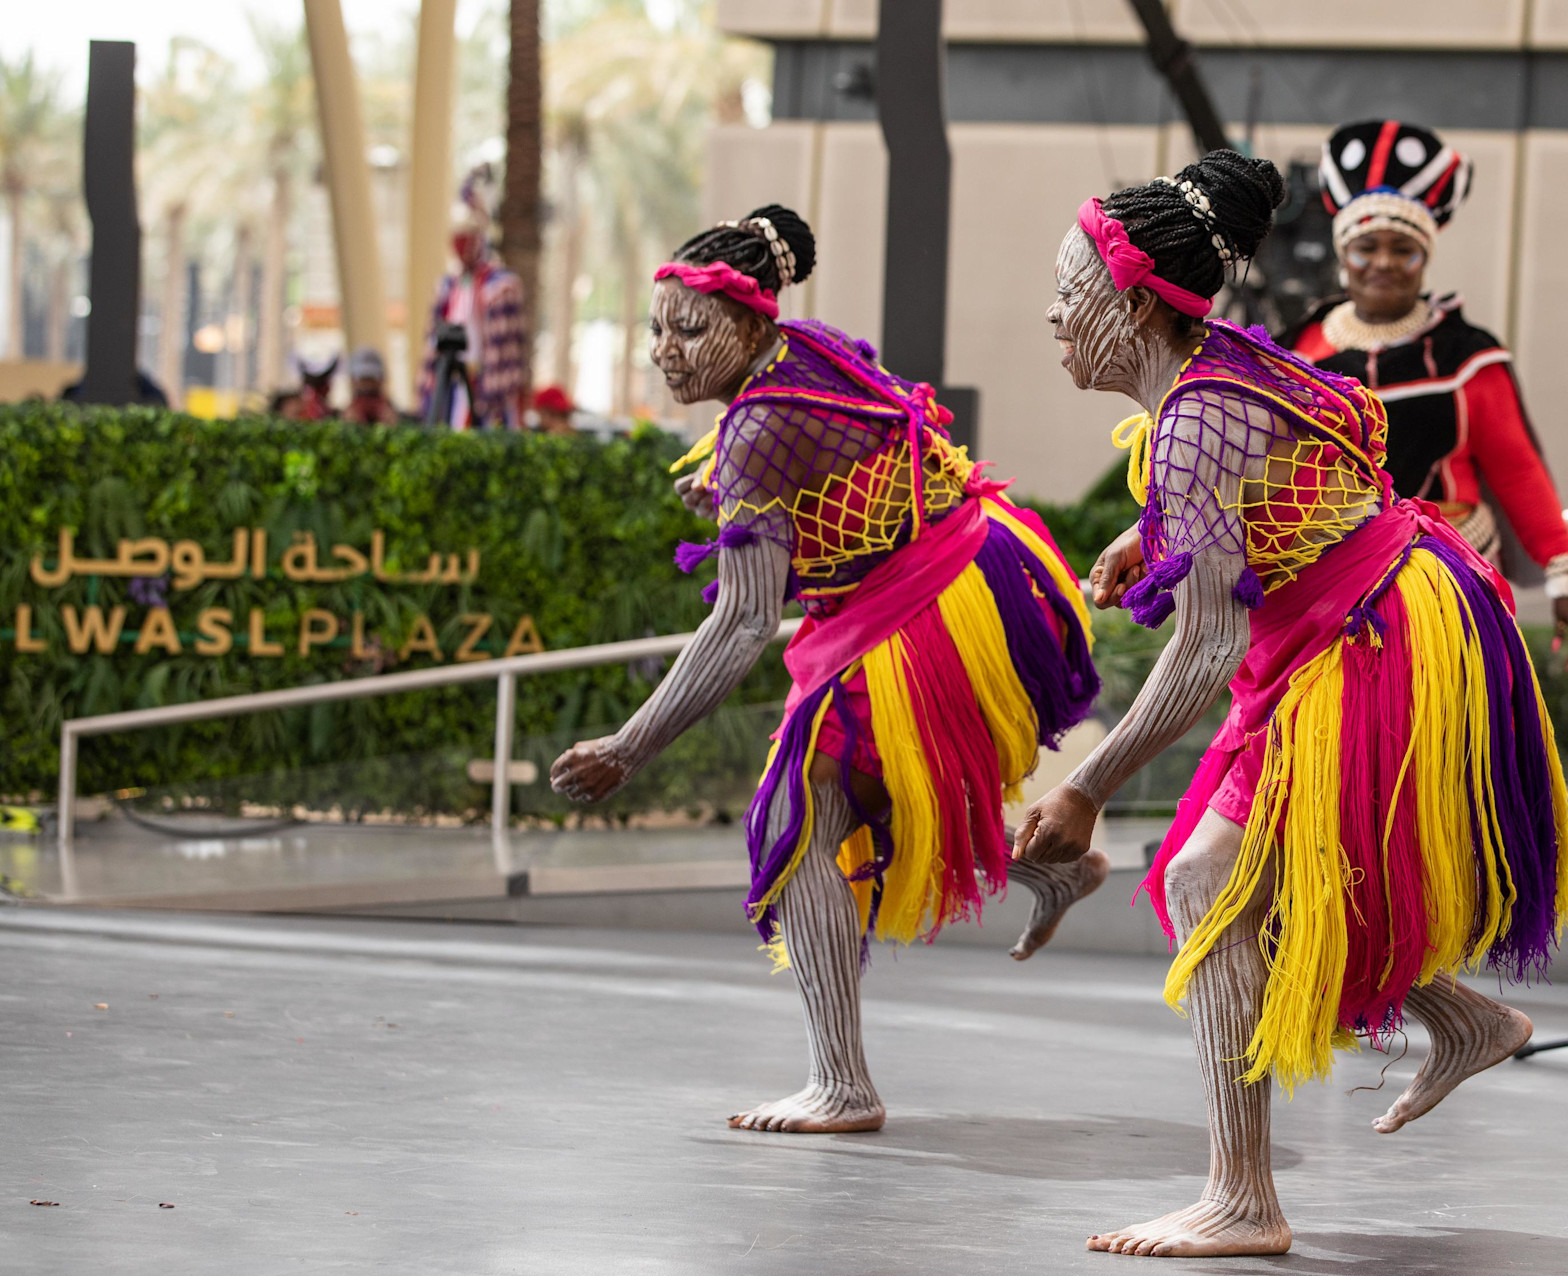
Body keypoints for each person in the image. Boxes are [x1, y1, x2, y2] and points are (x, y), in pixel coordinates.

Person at [1016, 150, 1568, 1257]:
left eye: (1068, 288)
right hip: (1359, 612)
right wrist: (1157, 529)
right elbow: (1295, 462)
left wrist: (1083, 785)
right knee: (1258, 879)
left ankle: (1242, 1199)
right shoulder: (1215, 369)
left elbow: (1205, 642)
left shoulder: (1189, 419)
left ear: (1130, 305)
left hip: (1368, 634)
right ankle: (1463, 1020)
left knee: (1202, 877)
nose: (1050, 310)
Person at [549, 205, 1108, 1133]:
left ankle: (842, 1084)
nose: (665, 351)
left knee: (798, 806)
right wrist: (727, 479)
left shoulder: (754, 427)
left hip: (926, 610)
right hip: (985, 572)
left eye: (689, 329)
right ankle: (1048, 869)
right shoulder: (804, 352)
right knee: (876, 793)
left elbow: (738, 626)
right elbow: (836, 448)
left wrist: (628, 745)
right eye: (656, 329)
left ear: (752, 323)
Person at [1282, 120, 1568, 669]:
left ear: (1424, 258)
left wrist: (1564, 571)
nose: (1382, 263)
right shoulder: (1296, 353)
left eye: (1402, 250)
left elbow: (1517, 470)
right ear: (1342, 255)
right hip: (1331, 582)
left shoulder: (1466, 357)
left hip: (1452, 573)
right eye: (1365, 249)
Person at [418, 167, 526, 429]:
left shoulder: (501, 286)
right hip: (452, 385)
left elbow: (507, 351)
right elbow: (433, 338)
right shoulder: (447, 286)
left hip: (487, 387)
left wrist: (491, 392)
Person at [343, 346, 400, 425]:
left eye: (372, 380)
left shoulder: (399, 417)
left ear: (381, 380)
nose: (368, 386)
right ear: (353, 381)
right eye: (363, 380)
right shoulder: (343, 418)